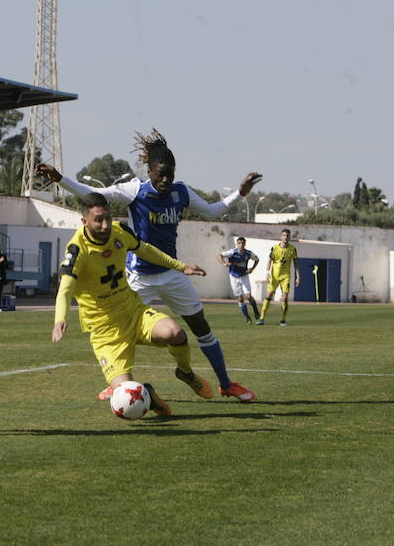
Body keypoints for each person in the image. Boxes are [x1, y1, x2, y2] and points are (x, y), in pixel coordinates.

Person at [36, 129, 261, 402]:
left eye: (170, 173)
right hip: (137, 277)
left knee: (200, 326)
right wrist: (61, 179)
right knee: (120, 329)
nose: (166, 180)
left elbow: (212, 211)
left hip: (171, 273)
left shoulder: (181, 192)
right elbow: (94, 193)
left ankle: (226, 384)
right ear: (150, 170)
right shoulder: (135, 190)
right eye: (160, 173)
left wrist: (239, 193)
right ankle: (117, 381)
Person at [52, 192, 212, 414]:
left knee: (175, 333)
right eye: (98, 219)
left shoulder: (119, 231)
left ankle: (185, 372)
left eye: (107, 217)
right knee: (127, 397)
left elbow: (145, 249)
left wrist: (180, 266)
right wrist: (60, 319)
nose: (105, 224)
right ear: (85, 221)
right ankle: (148, 394)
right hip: (105, 330)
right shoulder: (77, 250)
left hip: (132, 312)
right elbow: (65, 289)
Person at [256, 229, 300, 326]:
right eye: (284, 235)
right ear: (281, 237)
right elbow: (269, 260)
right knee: (268, 296)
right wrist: (267, 272)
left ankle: (283, 320)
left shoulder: (292, 249)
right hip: (274, 276)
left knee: (284, 297)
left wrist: (298, 276)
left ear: (290, 237)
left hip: (285, 276)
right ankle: (262, 318)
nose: (286, 237)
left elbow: (296, 263)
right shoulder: (275, 248)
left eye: (287, 235)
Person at [216, 236, 260, 323]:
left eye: (243, 243)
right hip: (234, 277)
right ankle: (247, 317)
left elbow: (257, 259)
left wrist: (252, 269)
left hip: (244, 276)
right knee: (240, 298)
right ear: (237, 244)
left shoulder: (248, 253)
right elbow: (219, 255)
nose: (241, 245)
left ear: (245, 244)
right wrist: (224, 263)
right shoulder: (232, 252)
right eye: (239, 243)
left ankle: (255, 308)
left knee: (248, 296)